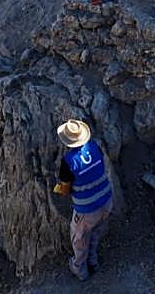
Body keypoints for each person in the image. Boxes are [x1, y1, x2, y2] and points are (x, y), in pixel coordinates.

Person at [52, 119, 113, 281]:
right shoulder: (94, 146)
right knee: (96, 232)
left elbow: (65, 189)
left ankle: (80, 269)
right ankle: (93, 261)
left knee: (80, 237)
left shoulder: (68, 162)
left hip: (88, 210)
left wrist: (60, 188)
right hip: (106, 200)